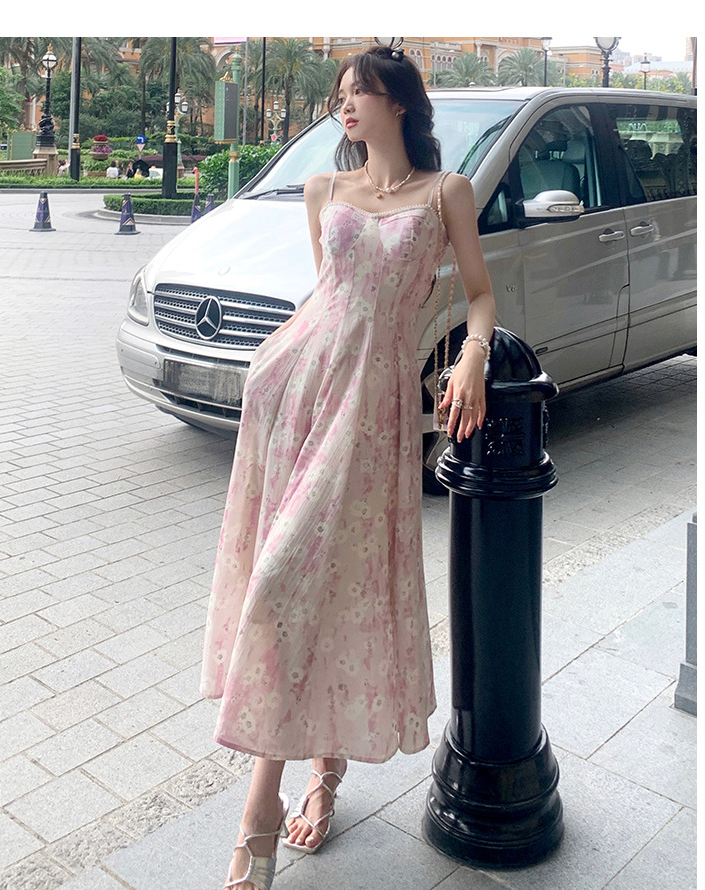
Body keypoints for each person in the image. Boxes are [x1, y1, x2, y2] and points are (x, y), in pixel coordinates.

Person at [200, 44, 495, 890]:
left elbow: (479, 295)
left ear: (399, 101)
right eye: (340, 94)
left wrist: (472, 357)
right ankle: (316, 775)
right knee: (295, 581)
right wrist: (272, 365)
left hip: (373, 410)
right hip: (296, 392)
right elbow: (329, 295)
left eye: (360, 90)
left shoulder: (447, 192)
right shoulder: (323, 190)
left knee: (302, 583)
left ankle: (261, 816)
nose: (345, 104)